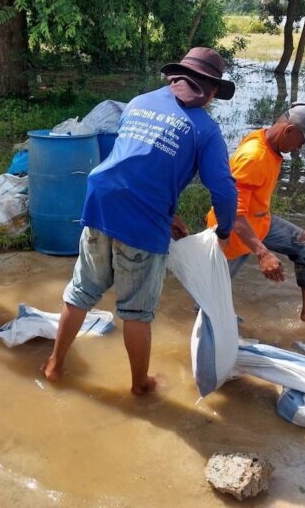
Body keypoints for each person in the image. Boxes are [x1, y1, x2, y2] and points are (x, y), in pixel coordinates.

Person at [42, 47, 238, 396]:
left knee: (82, 291)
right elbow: (223, 191)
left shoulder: (139, 101)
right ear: (209, 91)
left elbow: (136, 161)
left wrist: (170, 212)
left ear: (175, 77)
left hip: (100, 201)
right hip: (141, 221)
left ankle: (55, 365)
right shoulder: (204, 129)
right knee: (136, 312)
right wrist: (223, 231)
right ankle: (140, 385)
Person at [206, 102, 305, 323]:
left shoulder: (267, 140)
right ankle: (213, 334)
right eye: (301, 142)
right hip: (232, 232)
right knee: (210, 301)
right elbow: (233, 213)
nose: (299, 148)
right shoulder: (254, 157)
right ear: (289, 130)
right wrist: (263, 253)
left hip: (260, 221)